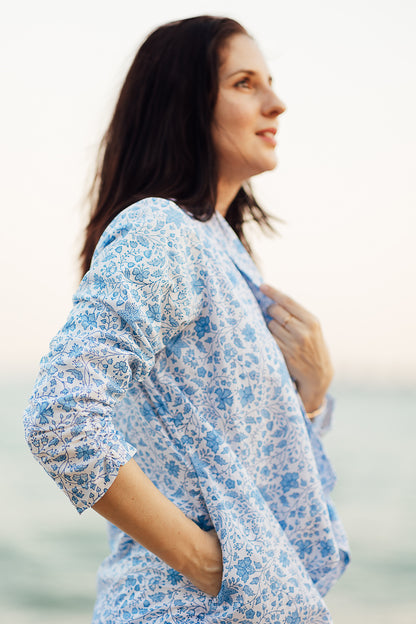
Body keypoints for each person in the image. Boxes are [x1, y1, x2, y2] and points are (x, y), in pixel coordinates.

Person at [24, 15, 349, 624]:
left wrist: (313, 391)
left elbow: (248, 468)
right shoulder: (161, 229)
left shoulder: (228, 256)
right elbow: (60, 418)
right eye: (245, 83)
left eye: (269, 82)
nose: (277, 103)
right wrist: (213, 567)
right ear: (183, 103)